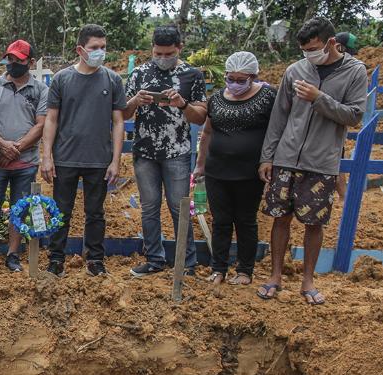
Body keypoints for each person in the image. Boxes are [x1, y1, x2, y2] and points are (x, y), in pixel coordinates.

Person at [258, 17, 367, 305]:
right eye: (305, 50)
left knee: (314, 224)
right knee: (280, 219)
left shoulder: (355, 72)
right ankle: (275, 276)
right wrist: (267, 157)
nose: (309, 55)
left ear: (332, 43)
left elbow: (355, 116)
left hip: (320, 162)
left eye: (314, 49)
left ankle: (308, 281)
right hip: (286, 158)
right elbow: (279, 117)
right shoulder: (295, 70)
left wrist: (319, 98)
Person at [41, 24, 125, 277]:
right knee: (61, 211)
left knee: (96, 213)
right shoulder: (62, 79)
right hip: (65, 157)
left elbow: (119, 121)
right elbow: (51, 119)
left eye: (103, 48)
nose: (100, 52)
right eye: (94, 48)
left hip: (99, 159)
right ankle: (56, 259)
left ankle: (95, 259)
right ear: (80, 50)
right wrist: (47, 156)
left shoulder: (112, 79)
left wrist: (116, 160)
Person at [124, 24, 207, 278]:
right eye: (157, 53)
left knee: (179, 207)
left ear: (179, 49)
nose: (162, 58)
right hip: (144, 152)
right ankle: (154, 259)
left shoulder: (192, 75)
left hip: (177, 152)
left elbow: (201, 116)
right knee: (149, 207)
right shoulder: (139, 74)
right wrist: (136, 101)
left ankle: (186, 261)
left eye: (168, 53)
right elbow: (123, 112)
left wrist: (181, 104)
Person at [195, 51, 276, 289]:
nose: (236, 84)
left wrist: (269, 160)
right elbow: (208, 132)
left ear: (254, 77)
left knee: (245, 220)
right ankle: (218, 268)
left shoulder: (268, 97)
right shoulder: (217, 98)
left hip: (250, 173)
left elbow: (276, 131)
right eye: (231, 78)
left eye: (242, 80)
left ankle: (244, 269)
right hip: (217, 170)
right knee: (220, 221)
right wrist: (201, 163)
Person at [0, 40, 47, 274]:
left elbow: (40, 125)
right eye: (10, 58)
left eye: (18, 60)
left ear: (30, 62)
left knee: (20, 210)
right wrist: (2, 146)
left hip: (26, 161)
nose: (13, 63)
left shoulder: (40, 90)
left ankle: (12, 255)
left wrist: (14, 149)